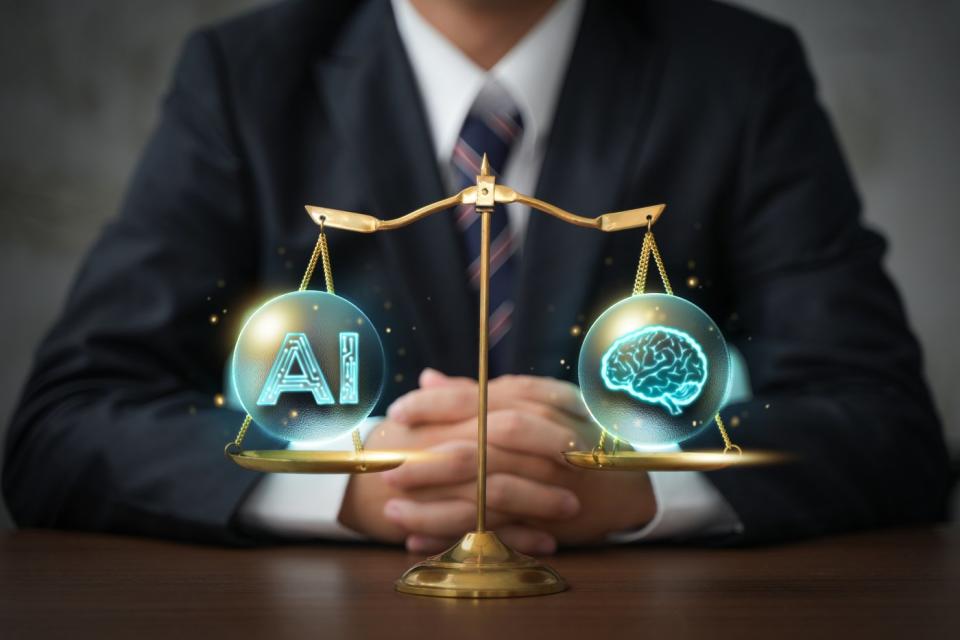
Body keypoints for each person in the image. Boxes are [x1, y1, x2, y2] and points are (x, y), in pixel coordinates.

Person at [2, 0, 950, 551]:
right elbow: (63, 427)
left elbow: (887, 429)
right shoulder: (244, 78)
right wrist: (358, 482)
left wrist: (635, 484)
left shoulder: (735, 73)